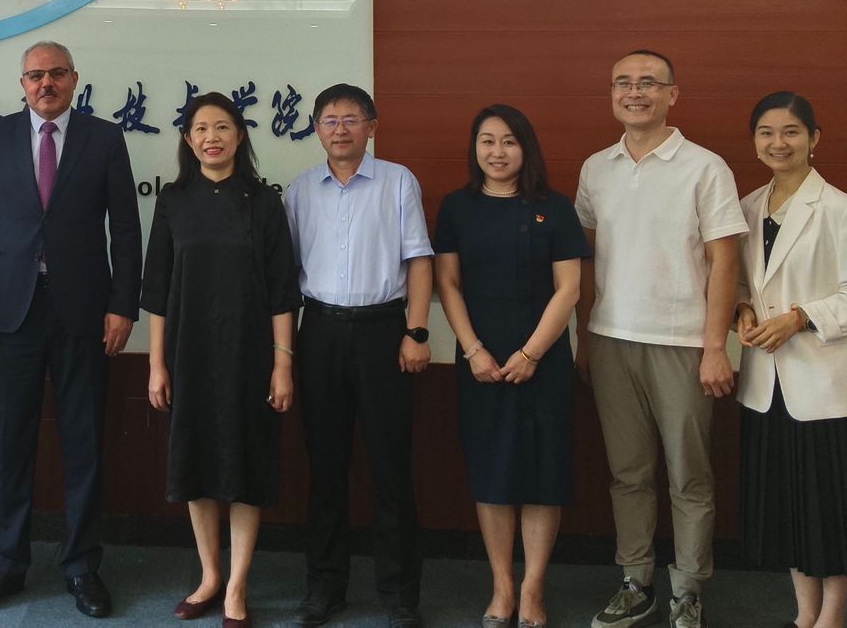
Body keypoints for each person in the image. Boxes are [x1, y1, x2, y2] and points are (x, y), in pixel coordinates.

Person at [0, 40, 142, 618]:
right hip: (10, 310)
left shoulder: (104, 138)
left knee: (83, 442)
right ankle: (5, 562)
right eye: (35, 75)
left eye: (56, 73)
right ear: (22, 83)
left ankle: (81, 565)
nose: (46, 84)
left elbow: (126, 230)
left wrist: (123, 305)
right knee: (10, 441)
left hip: (83, 310)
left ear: (74, 79)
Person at [575, 50, 746, 628]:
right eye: (623, 83)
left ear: (673, 94)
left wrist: (716, 346)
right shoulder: (595, 168)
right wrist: (583, 338)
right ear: (611, 94)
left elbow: (725, 261)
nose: (635, 92)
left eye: (648, 83)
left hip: (683, 344)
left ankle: (688, 590)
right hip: (610, 339)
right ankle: (636, 581)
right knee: (628, 474)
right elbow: (585, 263)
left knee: (688, 473)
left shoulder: (705, 167)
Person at [143, 93, 300, 628]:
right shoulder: (173, 200)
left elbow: (282, 292)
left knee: (245, 465)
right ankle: (210, 576)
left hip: (249, 354)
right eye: (201, 128)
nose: (212, 137)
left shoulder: (263, 202)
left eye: (223, 127)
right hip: (188, 355)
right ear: (188, 140)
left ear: (240, 135)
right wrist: (156, 364)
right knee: (195, 463)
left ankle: (237, 586)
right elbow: (157, 290)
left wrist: (282, 364)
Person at [735, 92, 847, 628]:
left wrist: (800, 318)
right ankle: (804, 616)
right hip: (767, 385)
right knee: (790, 510)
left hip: (826, 385)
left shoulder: (844, 210)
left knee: (830, 511)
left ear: (814, 138)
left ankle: (833, 619)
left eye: (791, 131)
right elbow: (745, 285)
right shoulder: (748, 207)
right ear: (754, 141)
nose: (778, 143)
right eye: (766, 132)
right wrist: (741, 310)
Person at [283, 83, 433, 628]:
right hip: (320, 331)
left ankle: (400, 594)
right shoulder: (300, 190)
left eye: (351, 119)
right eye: (330, 120)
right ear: (316, 129)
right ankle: (324, 587)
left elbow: (419, 260)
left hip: (383, 332)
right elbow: (286, 274)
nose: (340, 129)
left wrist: (417, 331)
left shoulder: (397, 181)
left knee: (391, 466)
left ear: (372, 126)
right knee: (325, 466)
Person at [434, 105, 589, 628]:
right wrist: (473, 350)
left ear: (526, 148)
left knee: (544, 476)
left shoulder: (555, 208)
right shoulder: (457, 207)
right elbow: (447, 283)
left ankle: (533, 589)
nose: (497, 152)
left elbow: (569, 289)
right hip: (480, 360)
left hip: (543, 360)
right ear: (474, 148)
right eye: (487, 141)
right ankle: (502, 586)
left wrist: (531, 354)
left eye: (508, 141)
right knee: (492, 473)